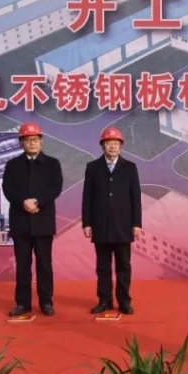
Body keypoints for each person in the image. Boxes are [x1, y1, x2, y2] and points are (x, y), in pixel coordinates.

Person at [2, 122, 63, 317]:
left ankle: (46, 302)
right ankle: (23, 303)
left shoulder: (52, 164)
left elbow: (55, 188)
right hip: (20, 223)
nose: (32, 143)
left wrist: (38, 201)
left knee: (44, 265)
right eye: (28, 140)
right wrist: (23, 202)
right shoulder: (13, 165)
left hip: (43, 222)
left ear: (41, 141)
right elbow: (8, 189)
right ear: (21, 143)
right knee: (22, 266)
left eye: (35, 139)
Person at [82, 126, 142, 315]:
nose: (112, 146)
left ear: (121, 146)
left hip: (123, 224)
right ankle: (104, 300)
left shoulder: (130, 168)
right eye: (109, 143)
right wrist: (87, 223)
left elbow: (136, 197)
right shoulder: (92, 167)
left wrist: (137, 223)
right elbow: (87, 197)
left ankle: (124, 301)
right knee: (103, 266)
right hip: (100, 224)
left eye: (116, 143)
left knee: (123, 265)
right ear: (103, 145)